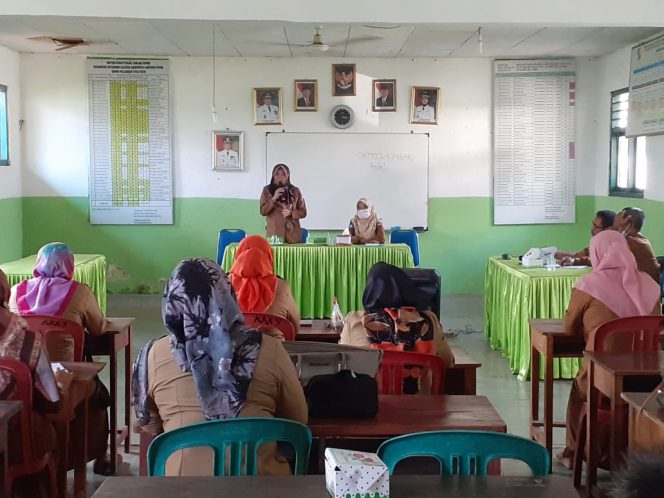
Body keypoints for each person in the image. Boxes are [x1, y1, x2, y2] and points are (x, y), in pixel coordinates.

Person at [131, 258, 307, 476]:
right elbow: (297, 419)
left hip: (180, 487)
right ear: (226, 294)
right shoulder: (270, 349)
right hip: (261, 486)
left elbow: (149, 425)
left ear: (171, 301)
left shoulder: (152, 355)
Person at [559, 230, 661, 469]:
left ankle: (574, 454)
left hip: (600, 378)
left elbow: (569, 328)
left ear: (597, 254)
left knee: (579, 392)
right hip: (647, 379)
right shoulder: (648, 283)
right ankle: (627, 454)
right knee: (625, 399)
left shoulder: (589, 286)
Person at [9, 242, 112, 474]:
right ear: (70, 266)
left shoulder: (17, 291)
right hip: (66, 372)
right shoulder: (80, 292)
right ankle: (100, 456)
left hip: (26, 375)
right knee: (98, 394)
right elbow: (98, 328)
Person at [340, 262, 454, 394]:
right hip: (422, 409)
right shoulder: (429, 320)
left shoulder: (354, 321)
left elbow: (342, 364)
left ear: (370, 290)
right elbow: (447, 362)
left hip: (372, 408)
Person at [0, 269, 63, 497]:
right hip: (15, 439)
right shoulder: (26, 338)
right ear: (4, 292)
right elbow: (52, 397)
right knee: (51, 430)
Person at [230, 235, 300, 336]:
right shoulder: (282, 286)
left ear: (238, 255)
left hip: (234, 350)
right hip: (275, 349)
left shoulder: (224, 284)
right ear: (269, 257)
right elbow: (295, 328)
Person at [259, 164, 307, 244]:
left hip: (293, 235)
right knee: (275, 256)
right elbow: (263, 211)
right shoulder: (267, 190)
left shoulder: (295, 191)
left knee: (293, 256)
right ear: (273, 176)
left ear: (288, 176)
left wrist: (291, 213)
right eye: (277, 174)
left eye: (283, 174)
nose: (280, 177)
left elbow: (303, 212)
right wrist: (273, 199)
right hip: (274, 235)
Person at [613, 207, 661, 283]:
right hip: (646, 284)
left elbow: (609, 255)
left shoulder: (632, 242)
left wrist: (619, 227)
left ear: (628, 223)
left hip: (647, 288)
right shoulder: (638, 237)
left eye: (619, 221)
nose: (614, 225)